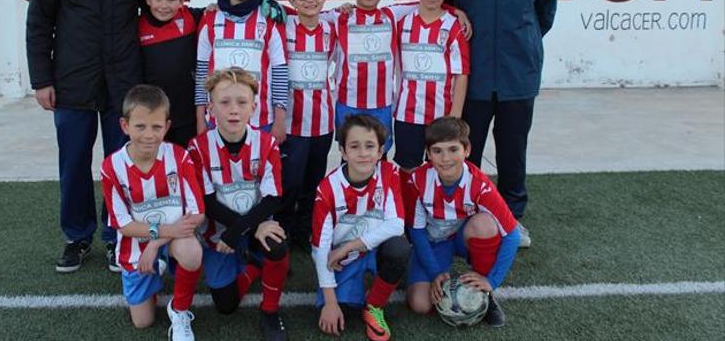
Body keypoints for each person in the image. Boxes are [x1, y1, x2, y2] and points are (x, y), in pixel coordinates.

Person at [26, 0, 158, 273]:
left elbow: (161, 8)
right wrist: (42, 80)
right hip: (72, 83)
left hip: (124, 84)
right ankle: (77, 237)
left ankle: (119, 235)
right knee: (75, 162)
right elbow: (39, 20)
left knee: (123, 164)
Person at [444, 0, 558, 247]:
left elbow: (545, 13)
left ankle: (512, 220)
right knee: (468, 151)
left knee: (512, 152)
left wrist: (520, 45)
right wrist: (458, 11)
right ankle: (464, 217)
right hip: (472, 77)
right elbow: (446, 5)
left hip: (517, 77)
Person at [187, 68, 290, 341]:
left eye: (242, 102)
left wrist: (242, 230)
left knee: (277, 243)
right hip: (218, 233)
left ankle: (270, 311)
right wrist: (236, 231)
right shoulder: (197, 148)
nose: (234, 110)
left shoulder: (266, 143)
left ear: (254, 107)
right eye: (224, 102)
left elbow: (273, 198)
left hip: (252, 225)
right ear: (210, 108)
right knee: (226, 306)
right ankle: (254, 266)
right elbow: (207, 202)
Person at [100, 85, 205, 340]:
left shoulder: (179, 157)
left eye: (156, 127)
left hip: (172, 238)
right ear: (125, 126)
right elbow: (123, 226)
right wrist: (155, 240)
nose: (149, 135)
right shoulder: (111, 167)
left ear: (167, 127)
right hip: (137, 242)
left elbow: (197, 213)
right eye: (140, 127)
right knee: (143, 322)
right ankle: (155, 272)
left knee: (192, 253)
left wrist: (155, 243)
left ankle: (179, 310)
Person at [404, 116, 519, 328]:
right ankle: (436, 271)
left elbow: (512, 235)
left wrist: (491, 281)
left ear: (466, 150)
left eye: (453, 149)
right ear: (428, 154)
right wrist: (434, 273)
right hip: (434, 242)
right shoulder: (417, 181)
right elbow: (416, 232)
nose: (446, 158)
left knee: (485, 224)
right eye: (437, 151)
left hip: (462, 238)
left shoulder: (479, 185)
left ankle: (485, 293)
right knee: (420, 304)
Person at [311, 114, 411, 341]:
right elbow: (320, 248)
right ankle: (353, 288)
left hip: (369, 249)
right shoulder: (327, 188)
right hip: (340, 258)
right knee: (342, 312)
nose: (363, 153)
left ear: (380, 151)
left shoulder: (389, 173)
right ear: (343, 152)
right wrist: (330, 302)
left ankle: (374, 306)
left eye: (370, 146)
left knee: (399, 249)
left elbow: (397, 225)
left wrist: (350, 246)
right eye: (355, 146)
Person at [392, 0, 469, 227]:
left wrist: (455, 117)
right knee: (407, 168)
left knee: (440, 167)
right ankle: (404, 219)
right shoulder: (402, 20)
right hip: (407, 113)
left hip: (441, 115)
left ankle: (438, 217)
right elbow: (368, 12)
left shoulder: (452, 26)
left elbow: (461, 73)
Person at [194, 0, 289, 145]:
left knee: (259, 174)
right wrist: (200, 117)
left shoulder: (270, 19)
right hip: (216, 119)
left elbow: (280, 71)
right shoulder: (210, 17)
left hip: (261, 120)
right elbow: (202, 71)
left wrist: (280, 120)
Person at [275, 0, 337, 250]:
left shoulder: (333, 26)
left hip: (323, 124)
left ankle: (304, 231)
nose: (309, 0)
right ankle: (283, 230)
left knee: (314, 182)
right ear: (292, 0)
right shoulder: (282, 25)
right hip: (291, 124)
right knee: (289, 183)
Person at [332, 0, 399, 155]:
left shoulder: (393, 15)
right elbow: (305, 11)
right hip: (348, 104)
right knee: (350, 155)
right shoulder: (339, 16)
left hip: (381, 105)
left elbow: (426, 4)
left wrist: (457, 11)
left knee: (379, 155)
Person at [137, 0, 207, 147]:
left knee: (190, 168)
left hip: (188, 115)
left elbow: (229, 8)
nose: (164, 6)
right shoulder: (136, 26)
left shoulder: (192, 17)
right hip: (154, 116)